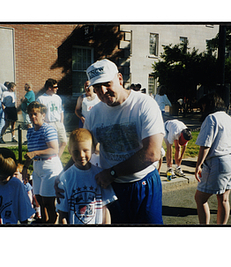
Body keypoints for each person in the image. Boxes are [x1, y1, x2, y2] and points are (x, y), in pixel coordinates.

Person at [56, 59, 165, 224]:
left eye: (107, 84)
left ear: (120, 79)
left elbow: (152, 152)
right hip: (111, 187)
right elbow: (82, 148)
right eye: (97, 87)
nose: (103, 91)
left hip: (143, 183)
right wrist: (63, 176)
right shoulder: (94, 114)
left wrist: (112, 172)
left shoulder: (144, 104)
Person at [194, 92, 231, 225]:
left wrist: (198, 165)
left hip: (219, 161)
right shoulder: (230, 119)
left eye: (203, 105)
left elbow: (205, 145)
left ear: (208, 105)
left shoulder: (211, 118)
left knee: (200, 198)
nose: (202, 109)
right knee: (224, 198)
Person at [57, 128, 117, 224]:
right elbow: (63, 214)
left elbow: (105, 209)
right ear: (69, 150)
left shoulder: (101, 175)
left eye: (85, 150)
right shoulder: (65, 178)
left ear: (93, 149)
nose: (81, 155)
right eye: (76, 151)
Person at [22, 101, 63, 224]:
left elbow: (54, 149)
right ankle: (44, 221)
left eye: (35, 114)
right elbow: (31, 152)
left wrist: (35, 153)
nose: (33, 117)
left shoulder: (48, 129)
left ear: (43, 115)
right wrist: (25, 168)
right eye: (30, 115)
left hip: (50, 166)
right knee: (39, 198)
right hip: (37, 166)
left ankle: (52, 222)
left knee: (48, 200)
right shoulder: (30, 131)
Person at [37, 79, 67, 158]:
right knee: (52, 144)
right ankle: (50, 159)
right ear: (49, 88)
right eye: (55, 87)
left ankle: (57, 158)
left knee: (64, 142)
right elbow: (39, 113)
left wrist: (61, 122)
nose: (57, 88)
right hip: (48, 123)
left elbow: (61, 111)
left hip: (58, 123)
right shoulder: (41, 99)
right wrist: (44, 124)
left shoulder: (57, 98)